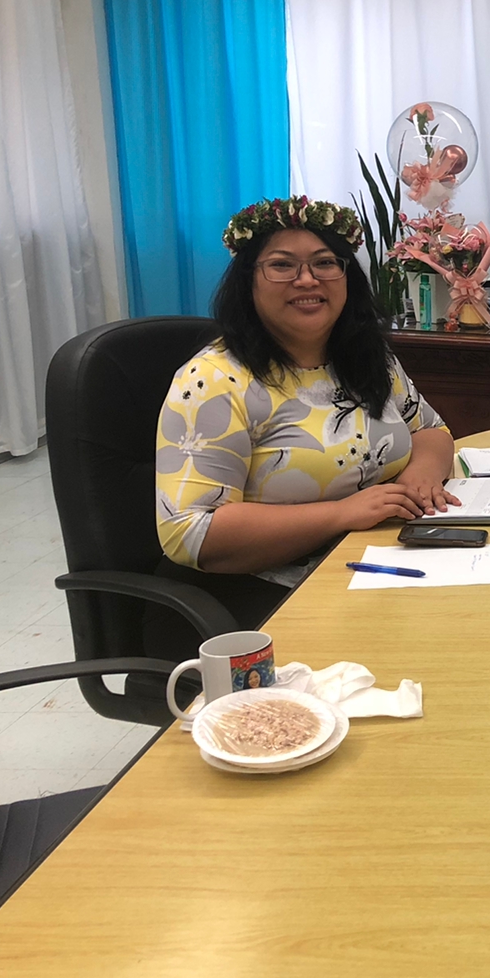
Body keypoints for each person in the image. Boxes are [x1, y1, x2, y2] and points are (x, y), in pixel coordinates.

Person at [153, 196, 456, 657]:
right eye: (282, 266)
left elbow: (431, 430)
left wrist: (419, 478)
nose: (308, 279)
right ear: (248, 281)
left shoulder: (365, 358)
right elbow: (190, 531)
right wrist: (343, 513)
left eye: (324, 263)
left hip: (366, 564)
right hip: (262, 598)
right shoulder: (215, 379)